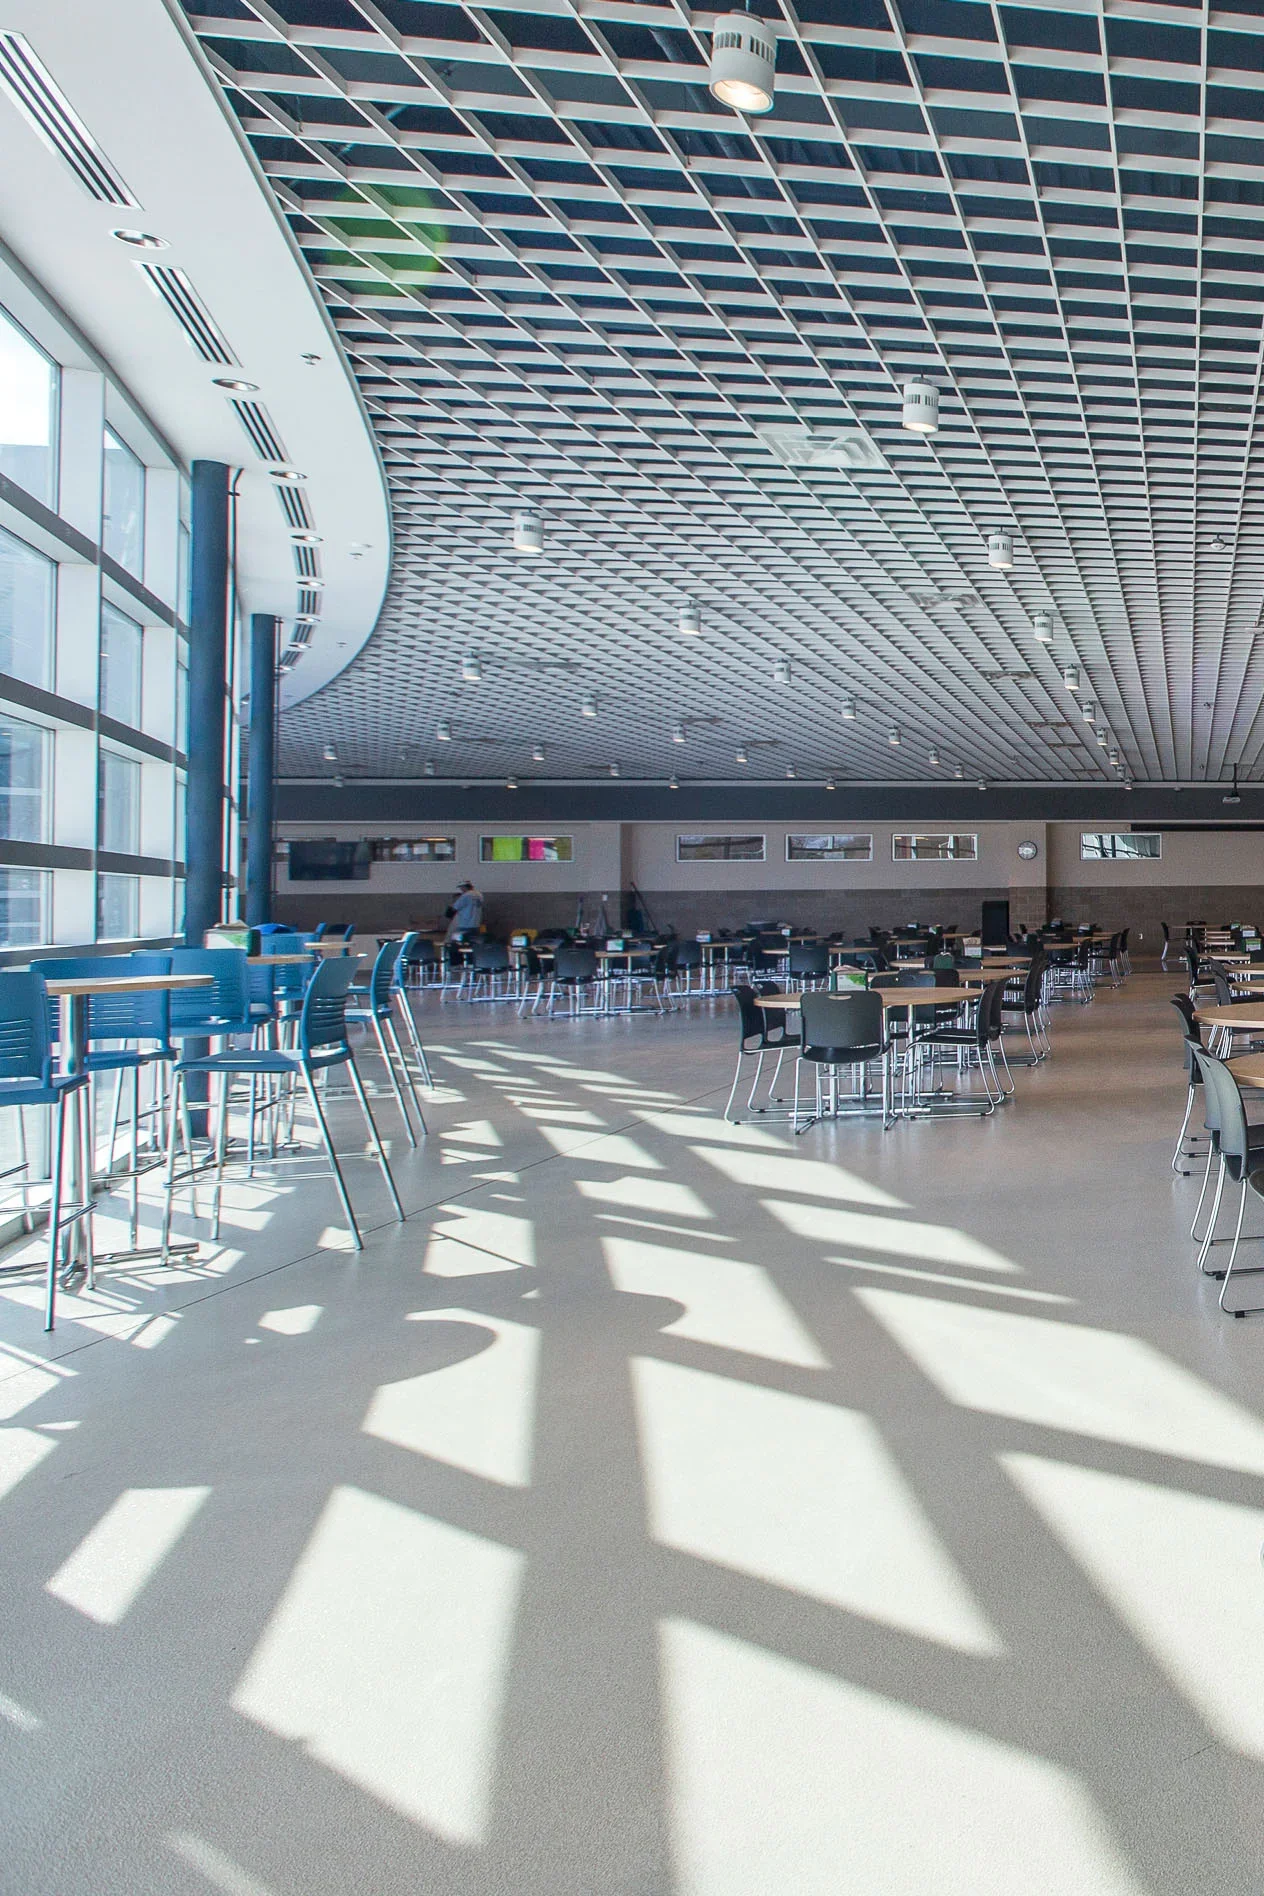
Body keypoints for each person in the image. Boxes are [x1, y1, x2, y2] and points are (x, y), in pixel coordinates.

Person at [445, 879, 483, 943]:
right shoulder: (479, 895)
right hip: (476, 925)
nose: (461, 890)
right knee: (473, 943)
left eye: (461, 888)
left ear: (464, 887)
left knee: (455, 942)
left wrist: (448, 914)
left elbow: (454, 908)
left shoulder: (465, 895)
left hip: (463, 925)